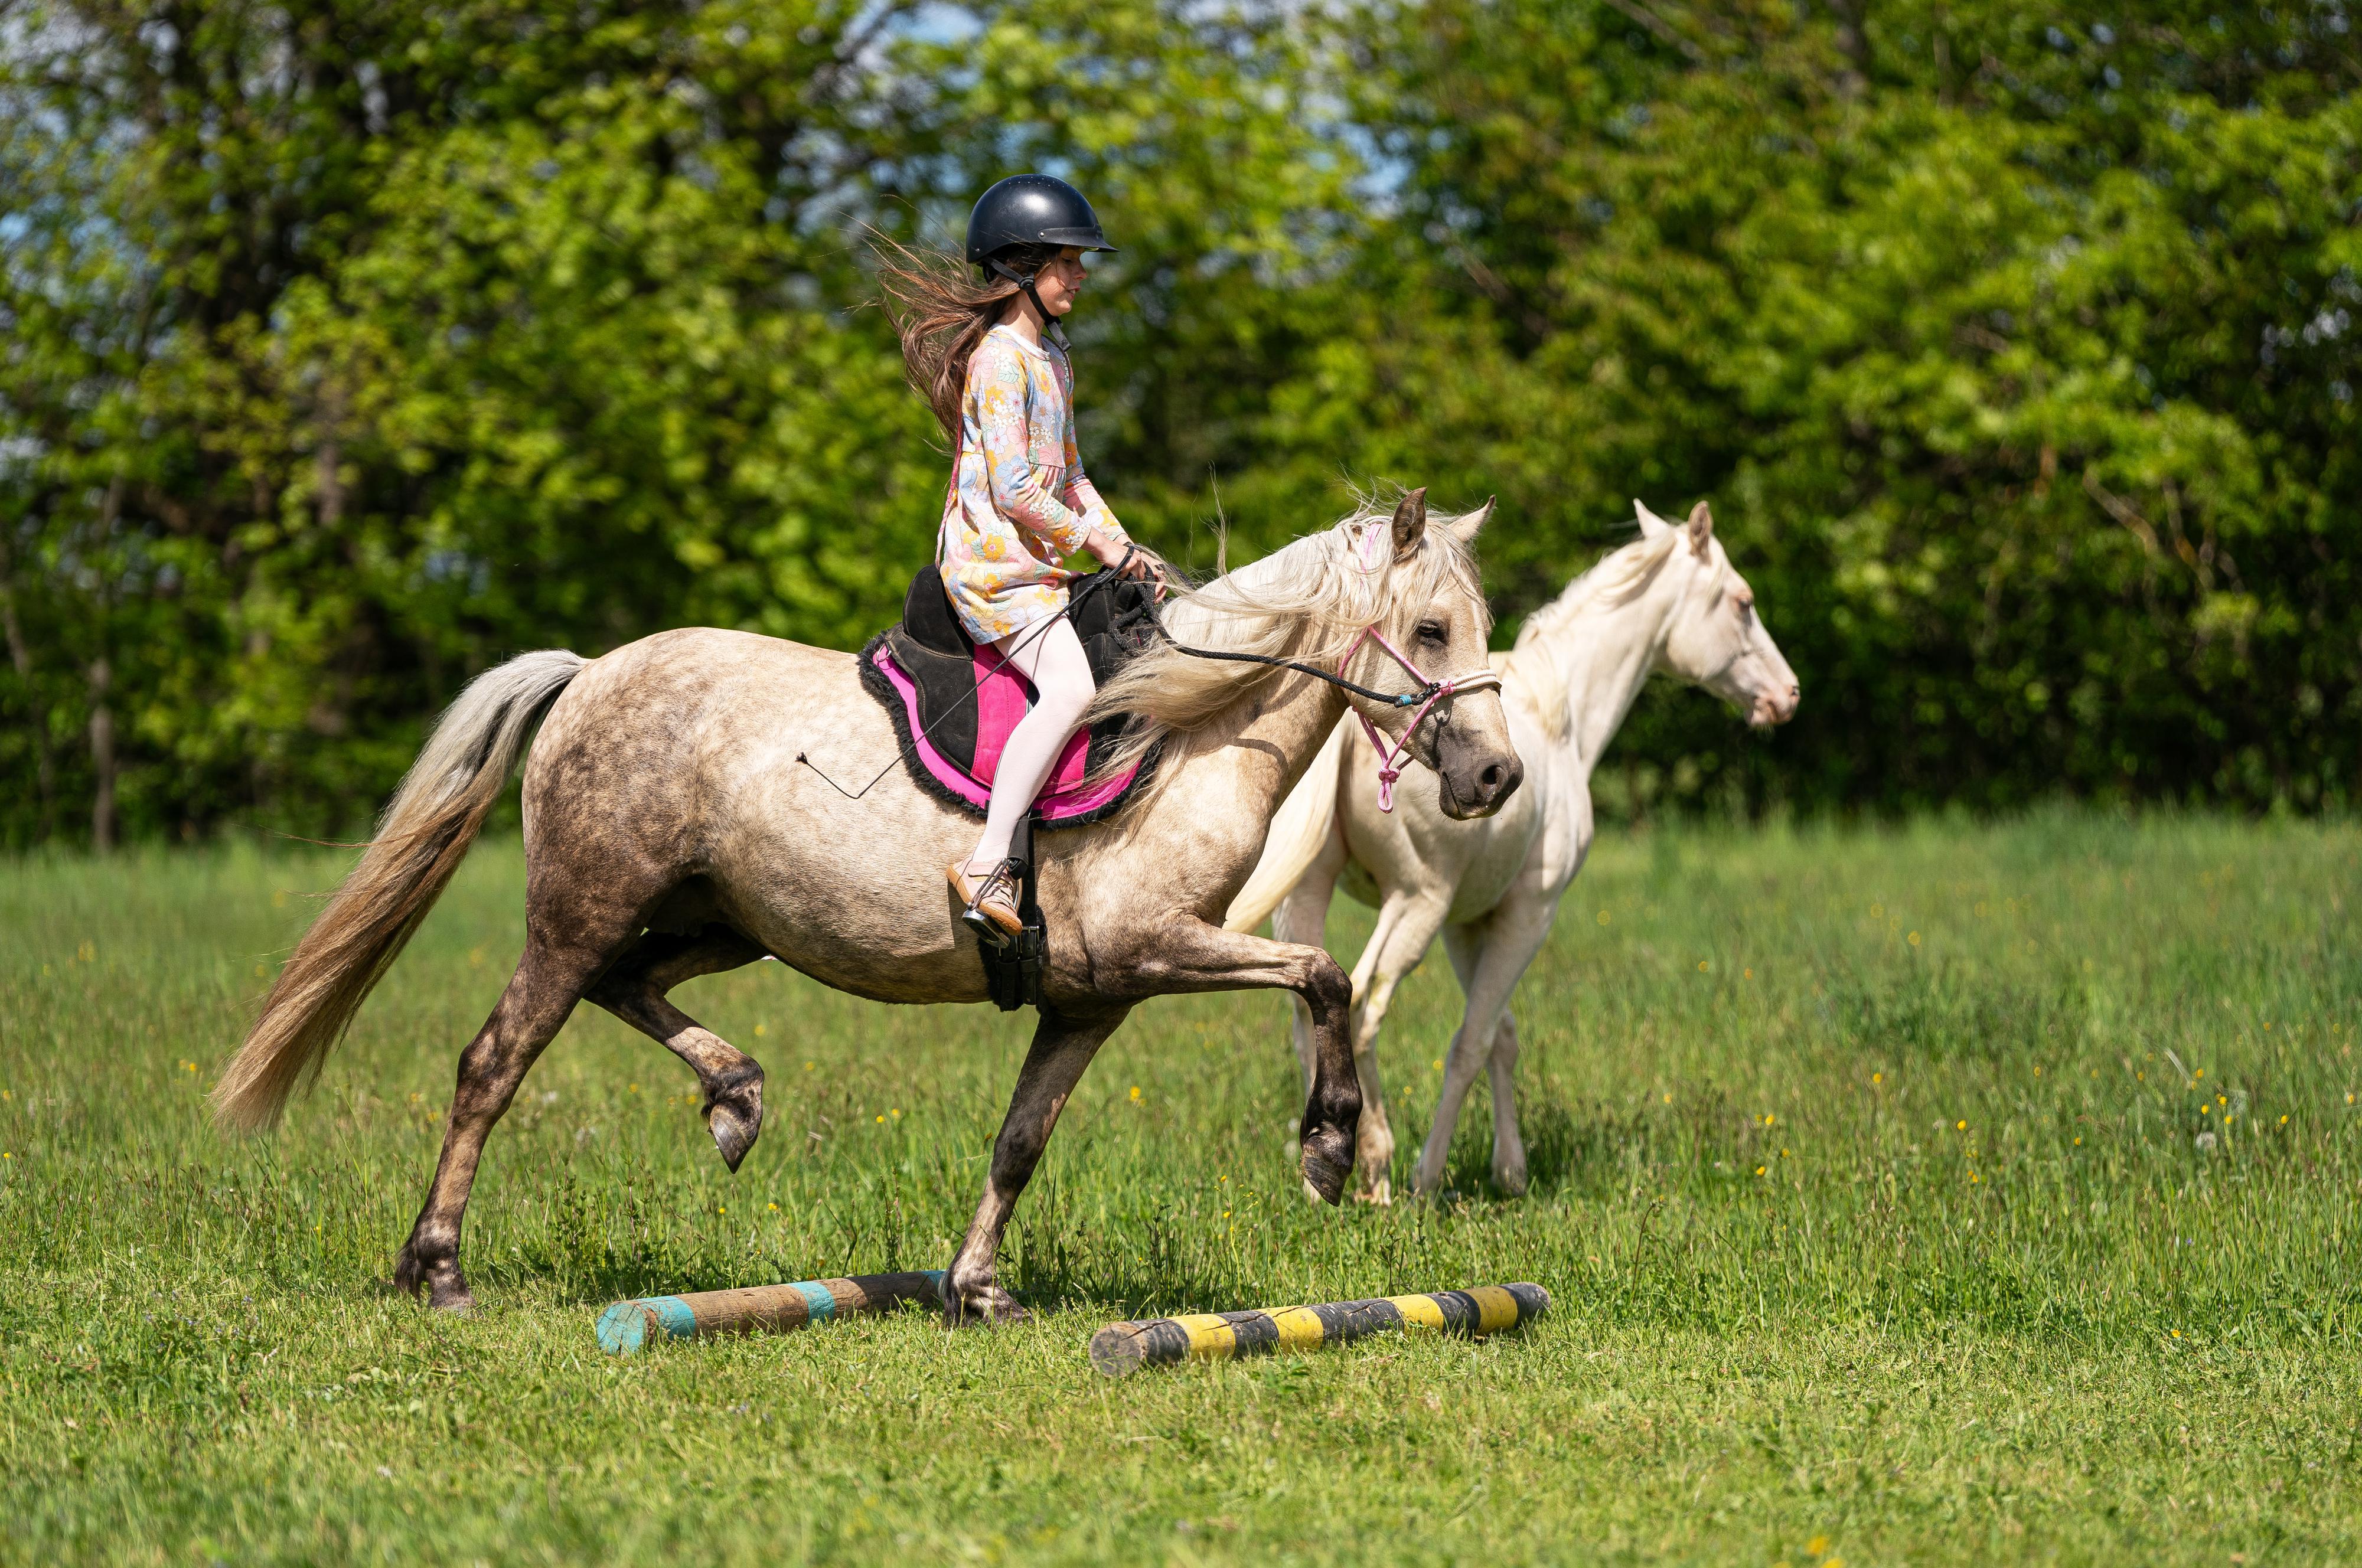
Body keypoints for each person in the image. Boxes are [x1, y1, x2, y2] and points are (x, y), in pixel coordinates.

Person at [878, 174, 1162, 945]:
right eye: (1067, 261)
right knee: (1070, 689)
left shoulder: (1053, 360)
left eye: (1079, 262)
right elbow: (1013, 488)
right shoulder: (1000, 362)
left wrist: (1126, 545)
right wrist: (1095, 544)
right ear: (1020, 266)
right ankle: (987, 863)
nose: (1080, 276)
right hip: (993, 569)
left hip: (1041, 563)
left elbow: (1072, 476)